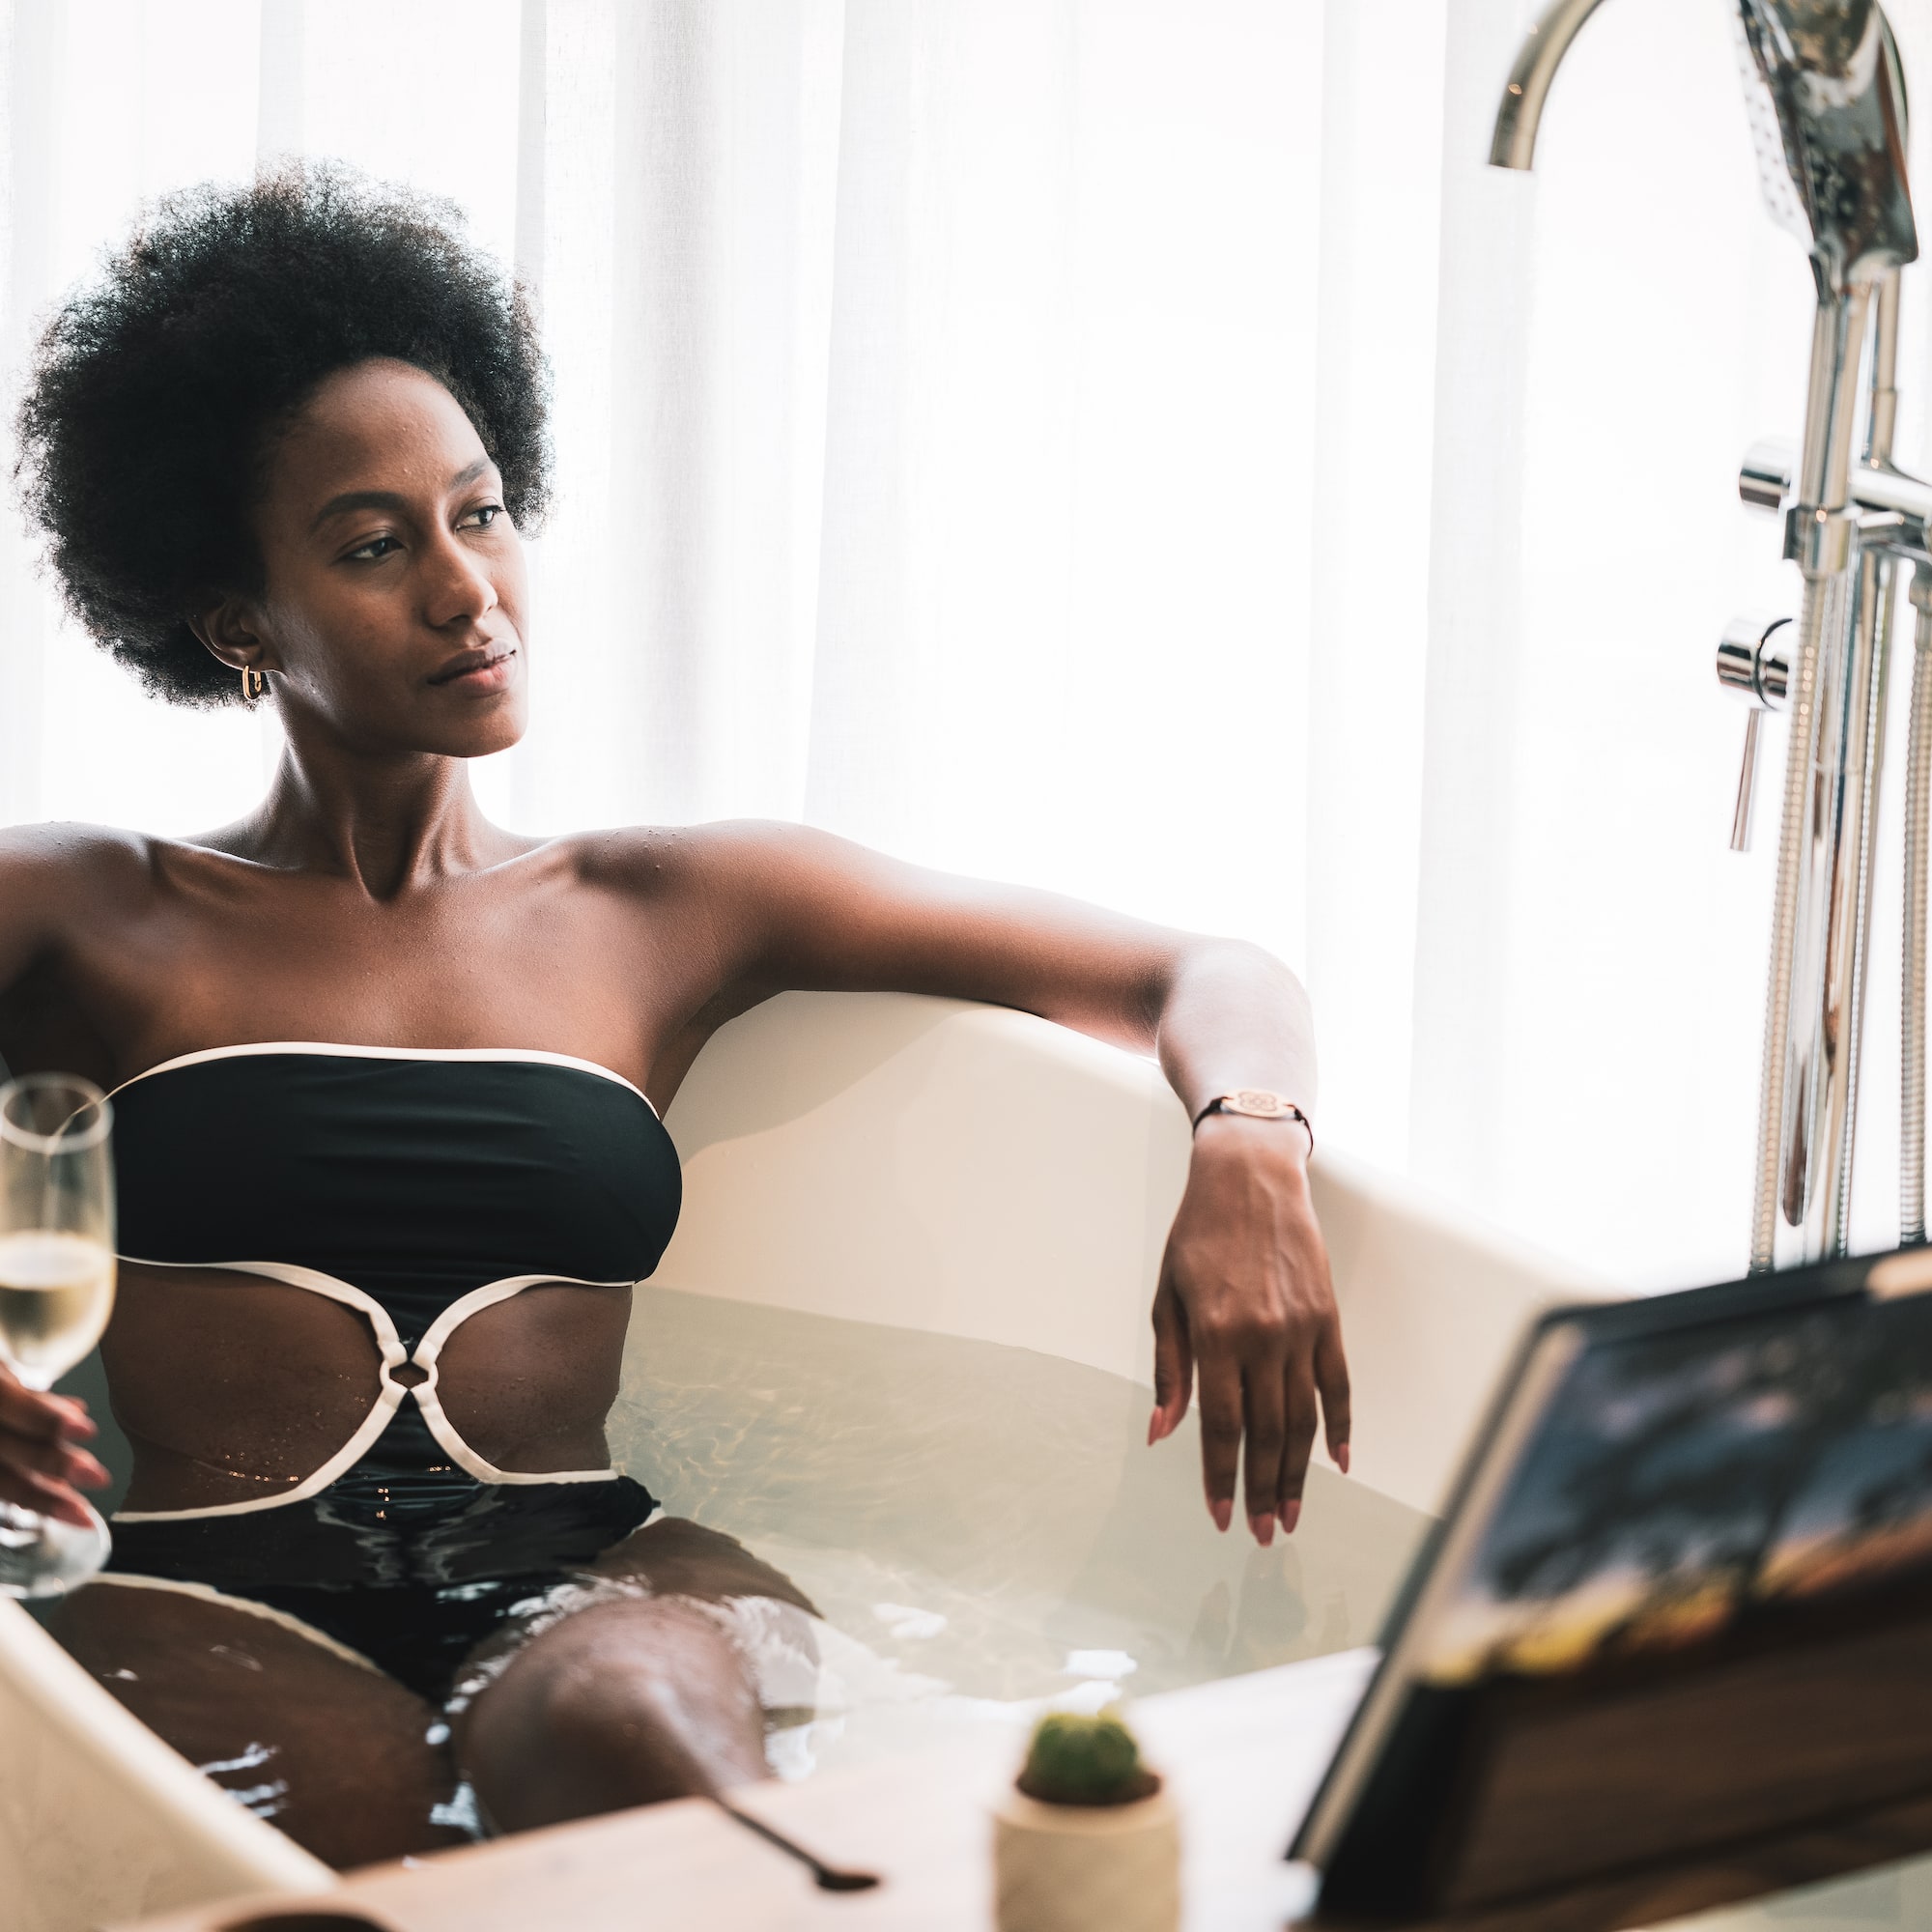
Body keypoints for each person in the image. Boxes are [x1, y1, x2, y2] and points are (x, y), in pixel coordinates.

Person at [0, 166, 1348, 1868]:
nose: (464, 588)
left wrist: (1250, 1153)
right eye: (371, 545)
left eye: (481, 513)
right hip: (212, 1588)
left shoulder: (665, 906)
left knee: (644, 1759)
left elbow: (1206, 974)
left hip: (589, 1571)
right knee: (339, 1819)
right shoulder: (86, 908)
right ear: (235, 622)